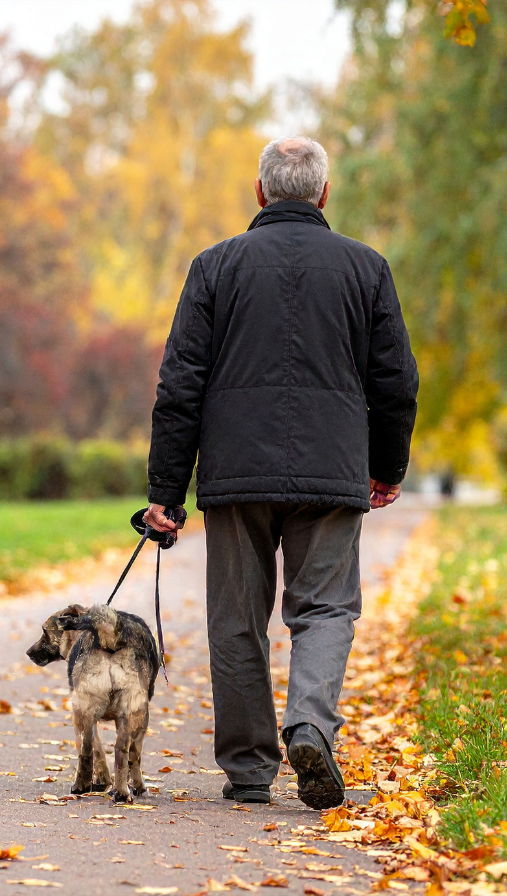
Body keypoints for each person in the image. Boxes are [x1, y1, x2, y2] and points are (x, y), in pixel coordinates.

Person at [142, 136, 419, 809]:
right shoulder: (366, 268)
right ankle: (311, 728)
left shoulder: (214, 267)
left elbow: (180, 384)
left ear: (261, 193)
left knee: (236, 617)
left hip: (236, 472)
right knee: (325, 608)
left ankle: (247, 770)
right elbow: (396, 380)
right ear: (322, 194)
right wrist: (385, 466)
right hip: (332, 469)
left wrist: (165, 495)